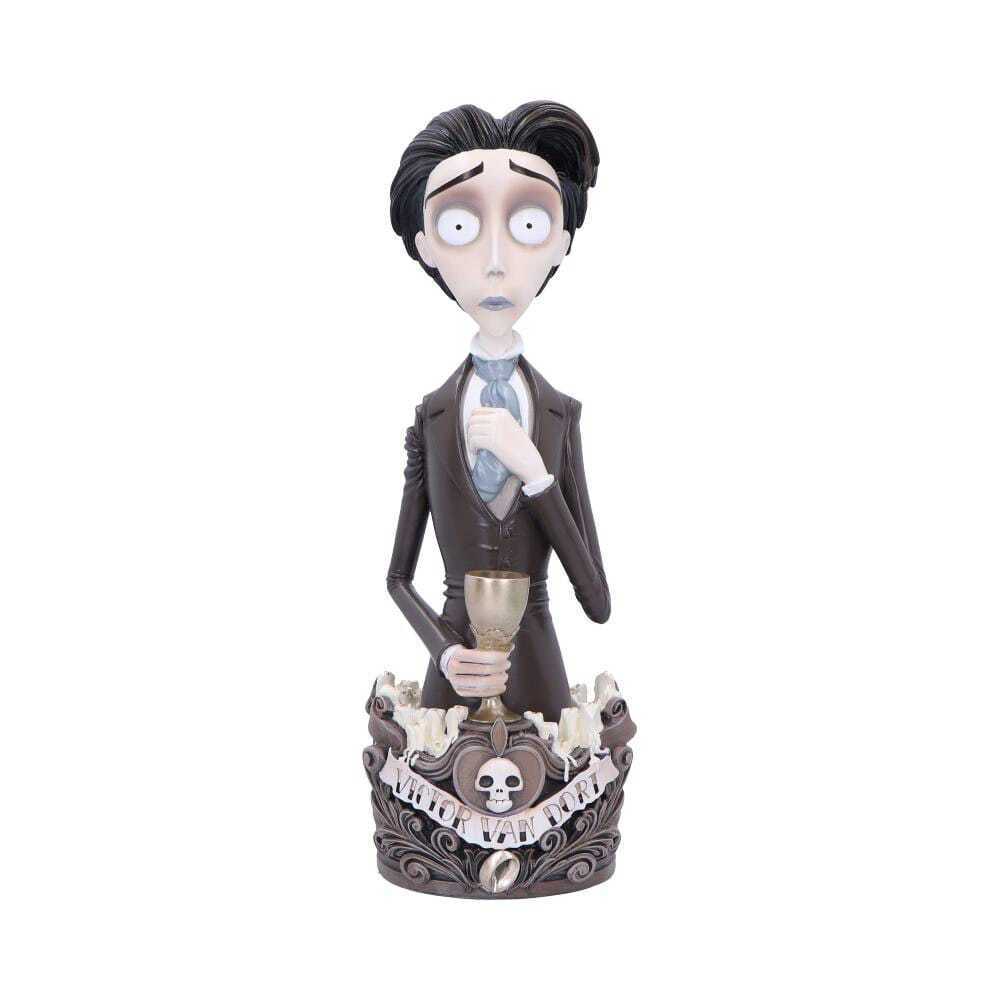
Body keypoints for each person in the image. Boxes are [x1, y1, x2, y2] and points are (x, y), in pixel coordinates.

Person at [386, 102, 609, 722]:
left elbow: (596, 599)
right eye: (460, 226)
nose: (494, 260)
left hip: (540, 684)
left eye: (528, 224)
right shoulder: (431, 417)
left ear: (561, 243)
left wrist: (535, 472)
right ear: (426, 245)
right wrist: (444, 651)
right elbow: (398, 577)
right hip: (453, 691)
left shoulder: (559, 415)